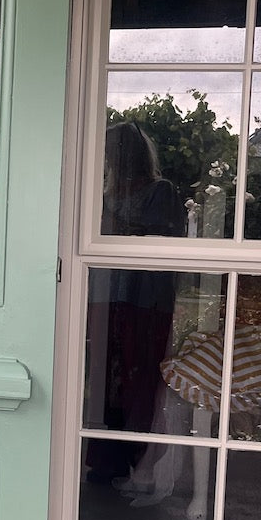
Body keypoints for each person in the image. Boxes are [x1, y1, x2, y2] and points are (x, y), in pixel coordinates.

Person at [85, 122, 185, 483]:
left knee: (139, 376)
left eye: (113, 151)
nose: (109, 159)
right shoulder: (104, 194)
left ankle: (140, 460)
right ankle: (105, 460)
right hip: (106, 295)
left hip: (145, 300)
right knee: (102, 378)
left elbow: (161, 242)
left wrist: (111, 221)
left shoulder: (160, 191)